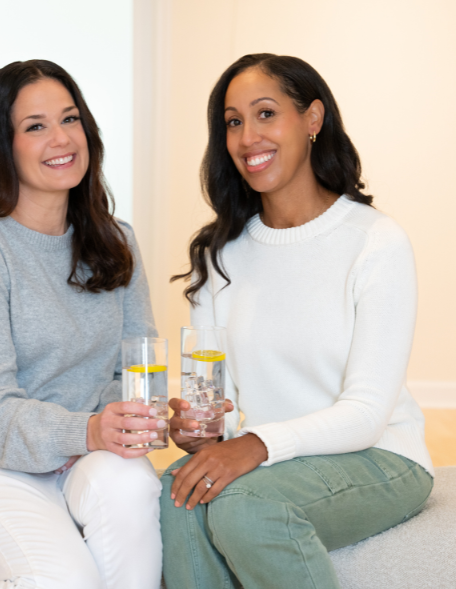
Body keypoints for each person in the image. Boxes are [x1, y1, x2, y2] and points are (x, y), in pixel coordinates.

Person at [160, 53, 434, 589]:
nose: (247, 137)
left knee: (243, 505)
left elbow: (367, 413)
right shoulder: (218, 254)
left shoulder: (375, 242)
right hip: (274, 461)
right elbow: (219, 400)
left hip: (379, 456)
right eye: (233, 122)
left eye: (266, 114)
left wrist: (255, 445)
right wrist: (203, 431)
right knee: (178, 494)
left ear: (313, 119)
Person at [0, 60, 163, 589]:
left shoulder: (115, 240)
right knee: (64, 579)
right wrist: (90, 428)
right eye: (35, 126)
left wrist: (128, 419)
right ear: (2, 146)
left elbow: (143, 369)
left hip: (86, 450)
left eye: (70, 119)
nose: (61, 138)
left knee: (132, 488)